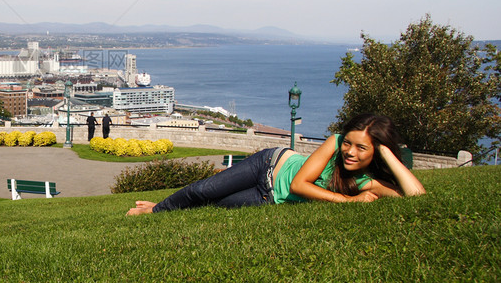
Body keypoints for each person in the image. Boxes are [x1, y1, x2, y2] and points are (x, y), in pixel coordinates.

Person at [127, 113, 425, 215]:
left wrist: (387, 154)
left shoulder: (366, 181)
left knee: (216, 204)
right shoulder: (334, 143)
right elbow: (299, 184)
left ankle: (166, 207)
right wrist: (348, 202)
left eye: (362, 148)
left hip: (269, 198)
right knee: (205, 189)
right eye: (349, 143)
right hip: (269, 165)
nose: (350, 152)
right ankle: (157, 209)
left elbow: (416, 197)